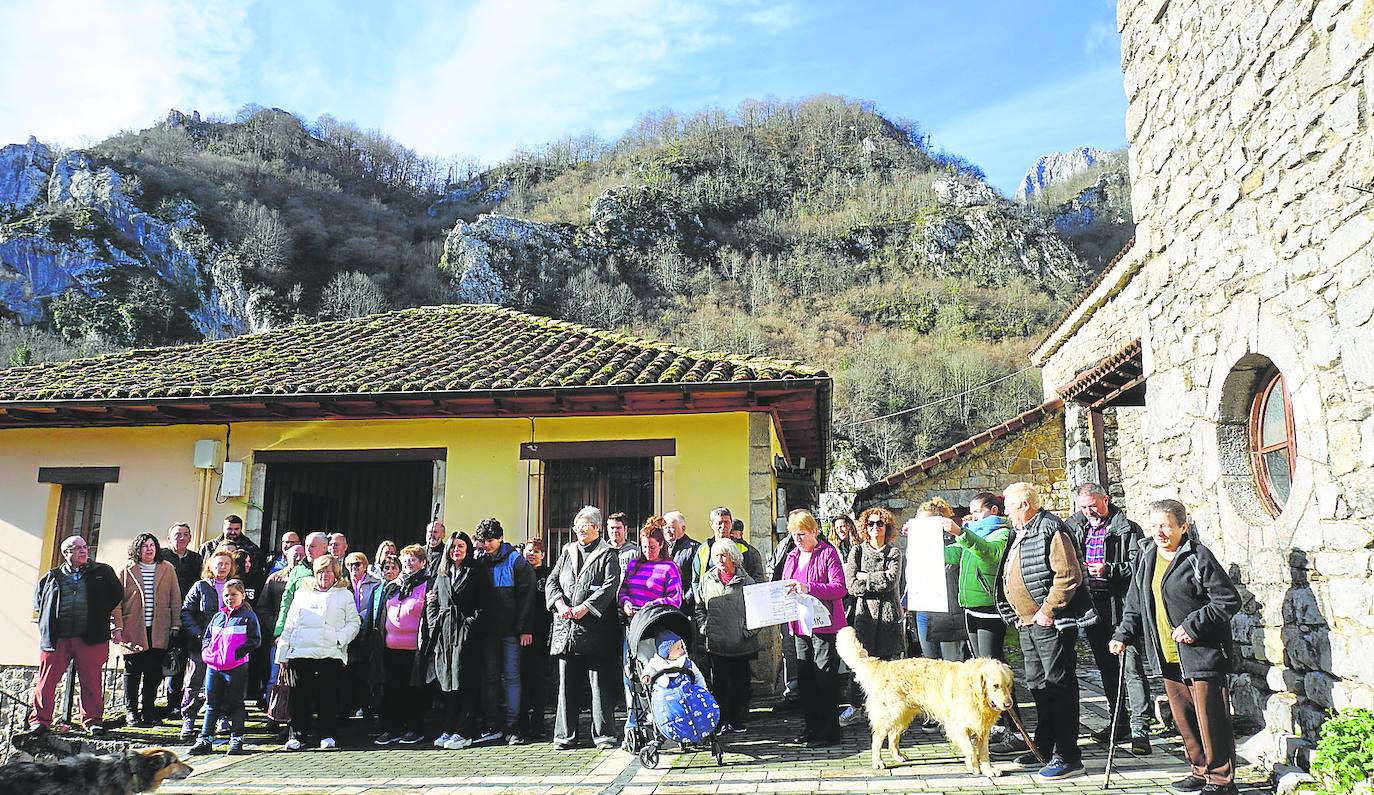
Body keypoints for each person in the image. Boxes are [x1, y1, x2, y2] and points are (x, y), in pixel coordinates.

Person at [1111, 500, 1241, 795]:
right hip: (1167, 654)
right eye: (1155, 525)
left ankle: (1222, 780)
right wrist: (1122, 634)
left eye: (1166, 525)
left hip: (1201, 653)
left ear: (1183, 527)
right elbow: (1135, 605)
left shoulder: (1197, 557)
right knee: (1184, 717)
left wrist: (1193, 626)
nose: (1159, 532)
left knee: (1212, 719)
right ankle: (1199, 769)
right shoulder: (1146, 555)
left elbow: (1227, 600)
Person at [994, 482, 1095, 782]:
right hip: (1028, 623)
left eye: (1010, 508)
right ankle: (1044, 746)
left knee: (1059, 686)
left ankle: (1068, 755)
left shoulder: (1051, 529)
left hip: (1050, 623)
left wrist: (1047, 611)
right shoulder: (1022, 531)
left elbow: (1069, 575)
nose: (1008, 514)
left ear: (1025, 505)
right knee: (1039, 685)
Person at [1067, 483, 1153, 755]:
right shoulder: (1075, 527)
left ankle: (1141, 730)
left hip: (1123, 606)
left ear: (1106, 499)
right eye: (1083, 506)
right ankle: (1119, 723)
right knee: (1107, 668)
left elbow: (1138, 566)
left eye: (1093, 505)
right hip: (1093, 609)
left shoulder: (1127, 528)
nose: (1088, 511)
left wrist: (1108, 569)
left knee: (1131, 669)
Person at [945, 492, 1023, 753]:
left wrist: (962, 534)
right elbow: (953, 556)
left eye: (977, 511)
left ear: (993, 510)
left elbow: (990, 555)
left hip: (990, 609)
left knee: (996, 673)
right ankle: (995, 726)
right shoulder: (971, 533)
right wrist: (925, 541)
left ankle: (1016, 730)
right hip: (970, 608)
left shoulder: (1001, 532)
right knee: (980, 673)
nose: (973, 516)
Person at [547, 506, 623, 751]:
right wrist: (559, 603)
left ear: (597, 528)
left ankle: (604, 734)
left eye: (586, 525)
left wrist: (587, 607)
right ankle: (565, 735)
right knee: (566, 683)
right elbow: (552, 581)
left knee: (599, 684)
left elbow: (610, 586)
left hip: (595, 630)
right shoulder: (567, 551)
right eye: (577, 526)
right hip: (567, 628)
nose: (580, 530)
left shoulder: (607, 554)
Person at [30, 535, 123, 734]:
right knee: (46, 682)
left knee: (91, 680)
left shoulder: (102, 572)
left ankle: (92, 721)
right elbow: (39, 603)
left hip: (90, 637)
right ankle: (40, 720)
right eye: (77, 548)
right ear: (66, 553)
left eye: (84, 547)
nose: (83, 551)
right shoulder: (51, 576)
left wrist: (102, 616)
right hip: (57, 639)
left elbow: (117, 595)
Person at [277, 554, 361, 750]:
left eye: (328, 572)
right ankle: (297, 735)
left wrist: (339, 639)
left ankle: (327, 734)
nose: (324, 576)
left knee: (328, 697)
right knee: (299, 698)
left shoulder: (344, 595)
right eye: (320, 572)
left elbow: (354, 623)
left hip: (330, 654)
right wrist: (283, 653)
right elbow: (290, 623)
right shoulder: (302, 594)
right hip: (301, 653)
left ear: (336, 574)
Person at [780, 508, 848, 748]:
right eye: (794, 535)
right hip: (800, 625)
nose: (798, 539)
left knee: (825, 678)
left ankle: (829, 731)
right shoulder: (791, 557)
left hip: (824, 625)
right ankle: (811, 727)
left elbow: (839, 588)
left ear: (813, 531)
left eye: (802, 534)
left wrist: (810, 587)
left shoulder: (828, 553)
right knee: (806, 679)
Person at [617, 516, 683, 742]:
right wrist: (625, 602)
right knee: (630, 674)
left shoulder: (669, 568)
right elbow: (623, 590)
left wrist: (651, 605)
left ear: (661, 545)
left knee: (653, 675)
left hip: (655, 628)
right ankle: (633, 719)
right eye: (644, 547)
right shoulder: (635, 565)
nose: (648, 552)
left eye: (652, 547)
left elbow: (676, 599)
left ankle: (658, 718)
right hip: (633, 627)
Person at [472, 518, 535, 745]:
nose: (486, 545)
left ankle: (513, 726)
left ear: (500, 538)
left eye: (490, 540)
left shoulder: (516, 561)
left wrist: (525, 628)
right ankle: (491, 724)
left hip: (511, 632)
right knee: (489, 678)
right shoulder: (479, 561)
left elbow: (527, 597)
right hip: (488, 632)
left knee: (512, 677)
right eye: (483, 541)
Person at [839, 507, 903, 727]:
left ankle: (886, 708)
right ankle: (856, 705)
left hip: (888, 614)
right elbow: (851, 585)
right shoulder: (856, 552)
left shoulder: (893, 553)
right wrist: (874, 579)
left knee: (886, 663)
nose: (875, 527)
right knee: (862, 661)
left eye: (879, 524)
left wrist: (865, 576)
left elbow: (891, 582)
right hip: (863, 614)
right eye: (870, 524)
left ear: (887, 527)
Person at [424, 531, 487, 750]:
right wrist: (434, 624)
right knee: (446, 684)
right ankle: (448, 728)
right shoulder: (442, 574)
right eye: (453, 547)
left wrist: (469, 626)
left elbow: (484, 605)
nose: (456, 550)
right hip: (444, 635)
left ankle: (464, 731)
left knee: (465, 683)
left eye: (460, 546)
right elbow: (432, 601)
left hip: (465, 635)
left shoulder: (476, 572)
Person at [189, 578, 260, 756]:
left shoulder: (248, 616)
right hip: (215, 666)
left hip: (236, 666)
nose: (230, 598)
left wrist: (237, 653)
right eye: (227, 595)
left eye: (234, 595)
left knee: (236, 703)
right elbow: (207, 637)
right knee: (211, 703)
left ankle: (236, 740)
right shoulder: (218, 616)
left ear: (242, 596)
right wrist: (207, 651)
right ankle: (205, 739)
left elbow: (255, 640)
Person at [695, 538, 760, 733]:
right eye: (717, 556)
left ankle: (737, 719)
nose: (720, 560)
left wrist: (746, 631)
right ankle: (721, 720)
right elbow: (699, 608)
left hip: (741, 644)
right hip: (717, 643)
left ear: (733, 558)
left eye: (724, 555)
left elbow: (757, 613)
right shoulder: (707, 580)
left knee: (741, 684)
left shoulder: (747, 582)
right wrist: (705, 628)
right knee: (720, 685)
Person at [117, 532, 181, 727]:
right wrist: (117, 626)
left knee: (154, 673)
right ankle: (131, 711)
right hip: (134, 628)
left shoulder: (167, 568)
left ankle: (149, 710)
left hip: (159, 629)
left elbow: (175, 598)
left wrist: (176, 623)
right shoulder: (126, 570)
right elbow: (116, 602)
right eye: (145, 545)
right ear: (137, 549)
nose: (149, 548)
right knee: (132, 672)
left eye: (152, 545)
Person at [373, 544, 430, 745]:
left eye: (413, 560)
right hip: (390, 648)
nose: (408, 563)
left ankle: (413, 728)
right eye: (405, 560)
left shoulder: (427, 585)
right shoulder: (393, 587)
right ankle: (391, 728)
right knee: (391, 690)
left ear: (422, 563)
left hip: (414, 649)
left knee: (412, 690)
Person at [179, 547, 237, 740]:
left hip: (227, 645)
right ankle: (189, 719)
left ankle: (221, 717)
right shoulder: (201, 587)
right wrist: (198, 633)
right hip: (202, 644)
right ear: (211, 566)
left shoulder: (236, 587)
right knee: (194, 681)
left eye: (226, 564)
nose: (222, 567)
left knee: (224, 683)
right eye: (219, 563)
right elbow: (186, 611)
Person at [910, 498, 968, 662]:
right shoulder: (916, 545)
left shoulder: (955, 542)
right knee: (930, 664)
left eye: (927, 523)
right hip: (923, 611)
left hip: (948, 613)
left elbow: (951, 558)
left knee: (951, 665)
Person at [159, 522, 202, 717]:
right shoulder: (161, 557)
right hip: (164, 614)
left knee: (182, 659)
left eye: (185, 534)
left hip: (188, 614)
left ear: (191, 538)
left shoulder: (196, 559)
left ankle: (176, 703)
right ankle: (155, 703)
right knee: (162, 660)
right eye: (177, 535)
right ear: (169, 539)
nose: (181, 538)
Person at [256, 543, 304, 714]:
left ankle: (291, 715)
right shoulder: (275, 578)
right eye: (295, 555)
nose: (299, 558)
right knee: (274, 678)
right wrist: (276, 627)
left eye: (302, 555)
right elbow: (262, 607)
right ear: (286, 557)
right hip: (279, 637)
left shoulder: (309, 579)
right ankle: (273, 714)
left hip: (302, 636)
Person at [518, 539, 553, 741]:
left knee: (540, 679)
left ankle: (539, 722)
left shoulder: (548, 575)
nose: (532, 554)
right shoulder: (520, 573)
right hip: (523, 634)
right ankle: (522, 723)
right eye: (529, 550)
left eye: (536, 551)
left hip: (543, 634)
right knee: (523, 679)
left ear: (543, 555)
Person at [692, 507, 765, 600]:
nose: (723, 526)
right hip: (711, 607)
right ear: (711, 524)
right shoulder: (703, 550)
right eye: (719, 523)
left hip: (738, 607)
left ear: (731, 524)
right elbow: (696, 581)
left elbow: (758, 582)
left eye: (726, 522)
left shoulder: (747, 551)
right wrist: (699, 601)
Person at [344, 551, 383, 721]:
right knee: (349, 671)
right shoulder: (342, 583)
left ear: (365, 565)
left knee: (366, 671)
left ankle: (367, 709)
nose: (354, 568)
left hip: (366, 630)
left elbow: (376, 604)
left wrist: (362, 616)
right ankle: (348, 708)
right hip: (348, 630)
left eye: (357, 564)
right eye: (351, 565)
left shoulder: (375, 583)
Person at [273, 532, 329, 638]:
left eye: (312, 546)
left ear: (324, 548)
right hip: (298, 628)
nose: (308, 550)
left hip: (325, 632)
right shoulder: (298, 570)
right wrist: (279, 630)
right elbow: (287, 600)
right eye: (306, 546)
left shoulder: (334, 569)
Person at [664, 511, 700, 610]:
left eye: (671, 527)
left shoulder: (694, 549)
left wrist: (687, 599)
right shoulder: (660, 549)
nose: (667, 530)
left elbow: (697, 578)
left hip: (686, 606)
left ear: (683, 528)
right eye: (665, 527)